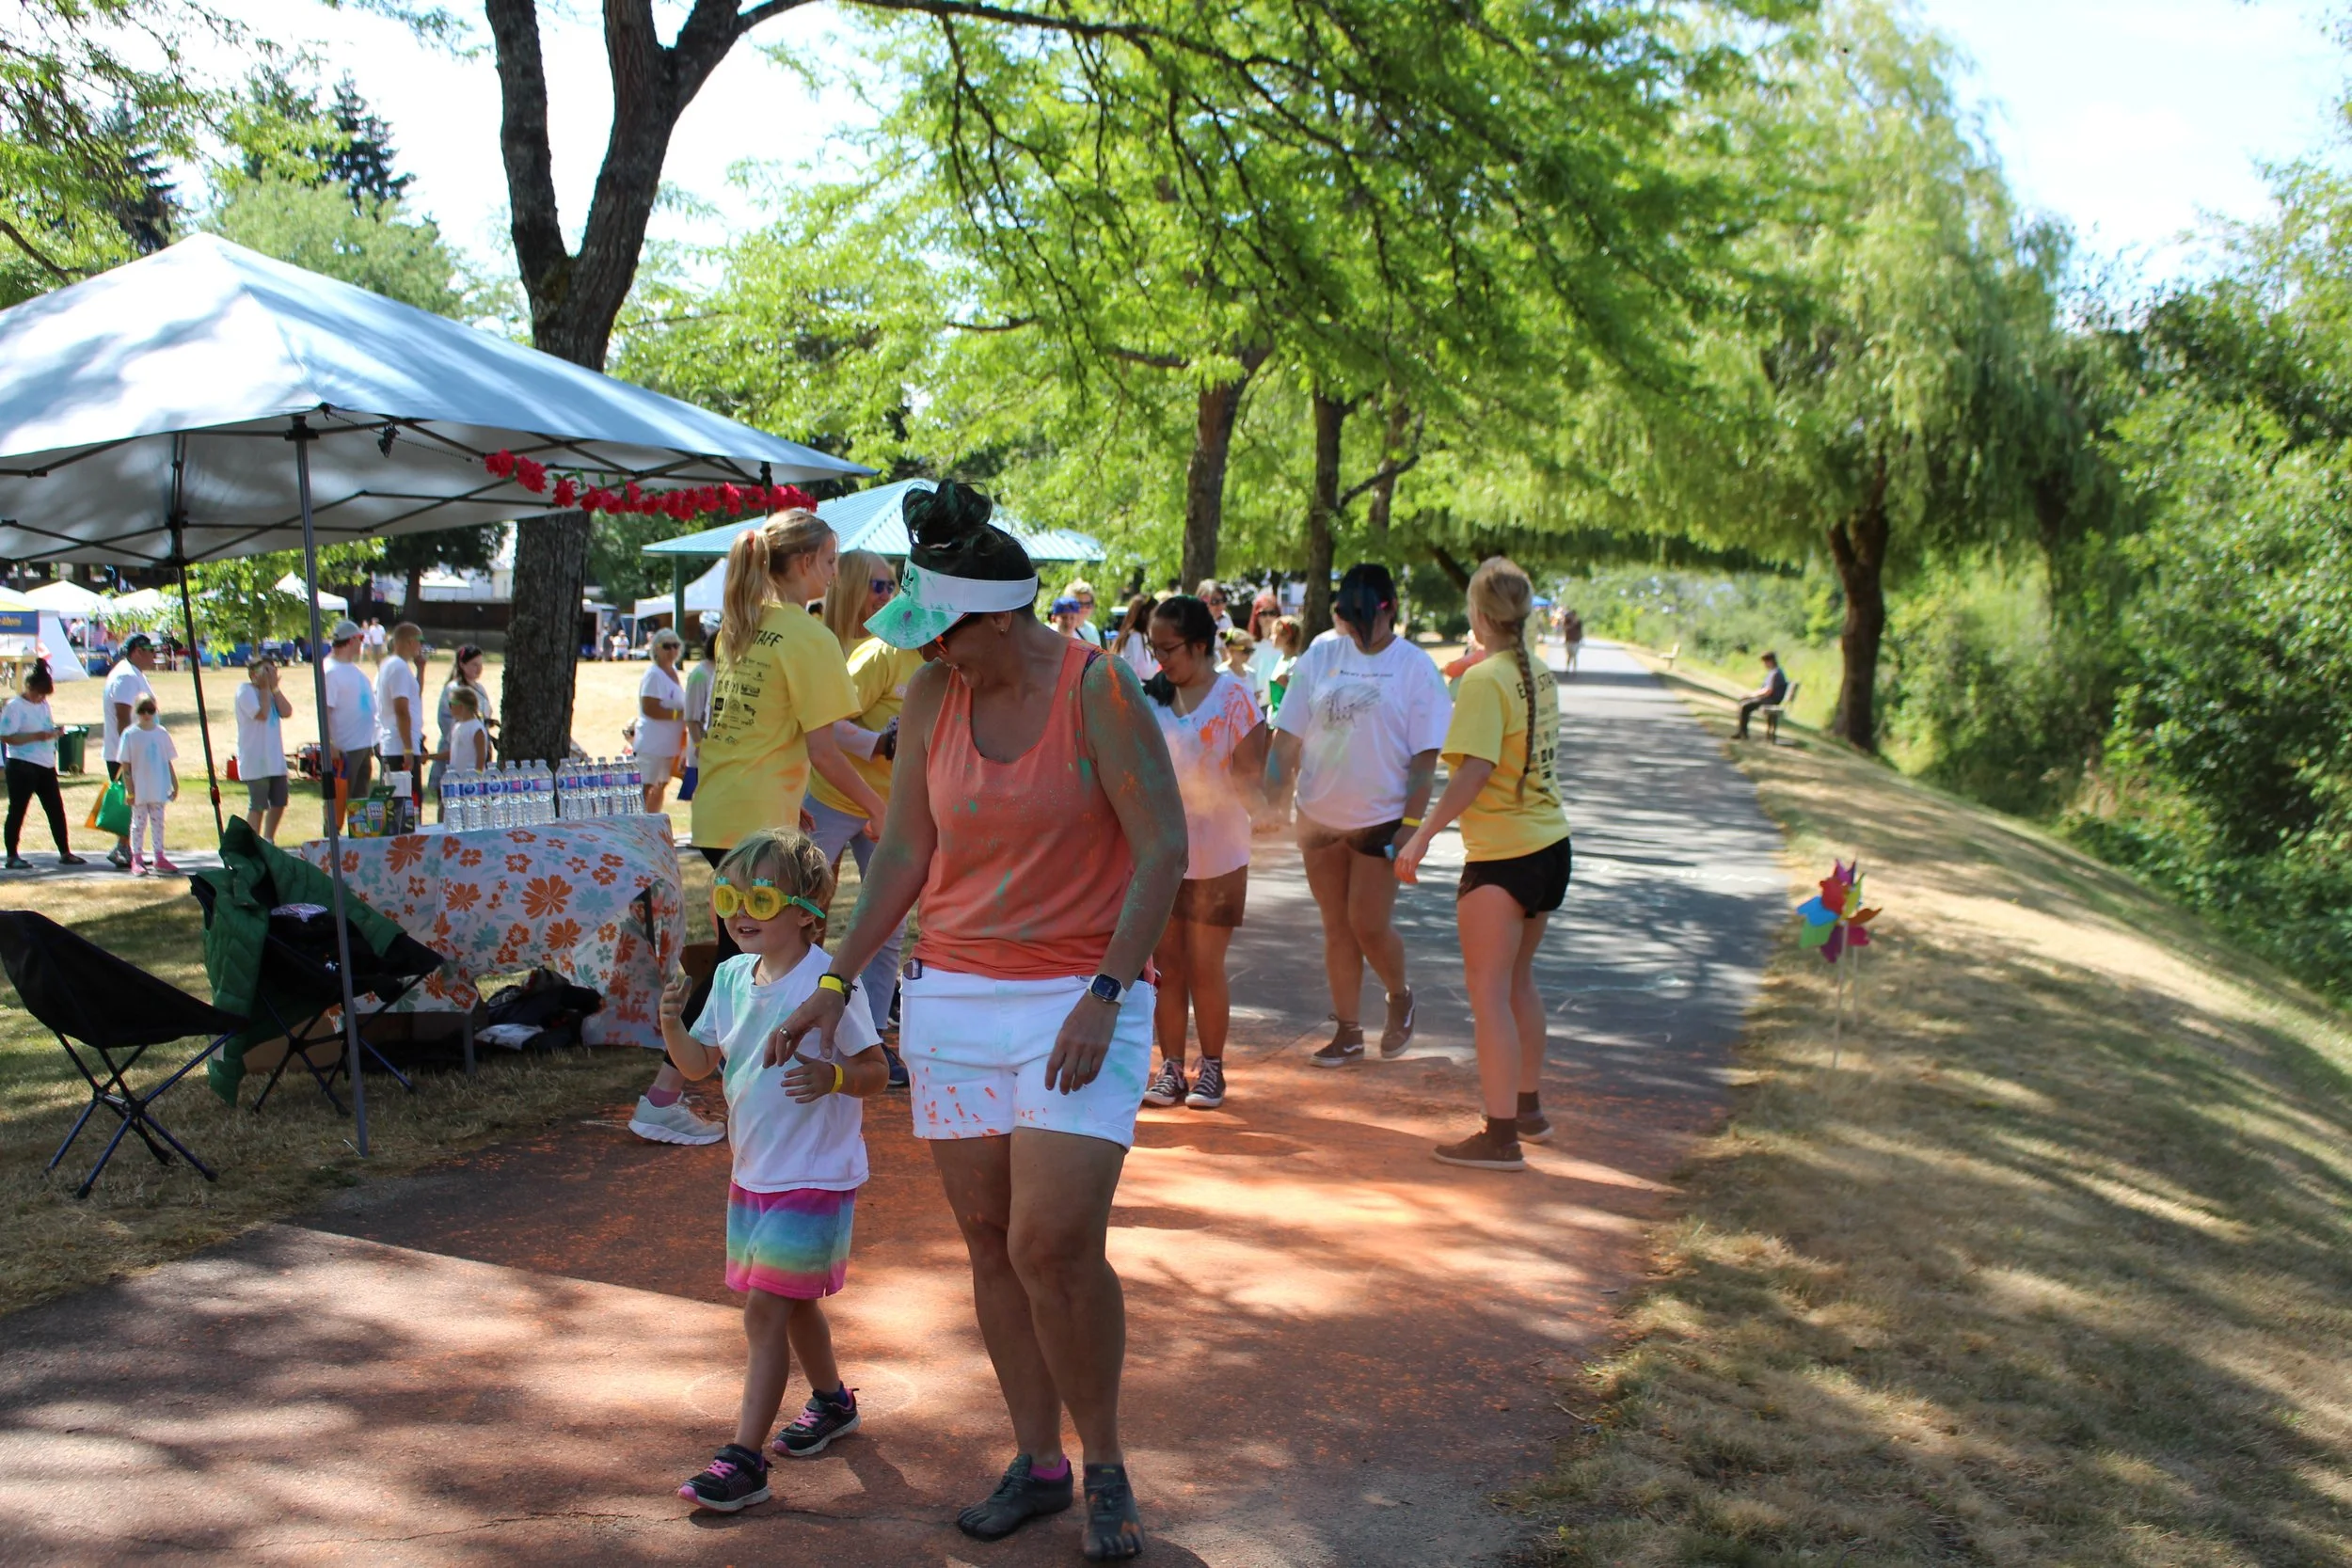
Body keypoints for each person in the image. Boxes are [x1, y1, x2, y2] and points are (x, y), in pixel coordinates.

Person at [773, 481, 1184, 1560]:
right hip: (952, 993)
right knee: (994, 1240)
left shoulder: (1099, 689)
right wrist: (832, 980)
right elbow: (903, 853)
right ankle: (1037, 1459)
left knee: (1057, 1239)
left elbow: (1163, 850)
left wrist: (1106, 987)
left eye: (944, 632)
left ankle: (1103, 1462)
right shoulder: (927, 700)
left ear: (1003, 617)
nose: (931, 653)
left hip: (1079, 996)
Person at [659, 828, 889, 1513]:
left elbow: (877, 1070)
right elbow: (702, 1065)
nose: (738, 910)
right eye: (729, 895)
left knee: (765, 1309)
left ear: (806, 911)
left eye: (758, 895)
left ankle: (744, 1459)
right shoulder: (730, 976)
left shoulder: (829, 985)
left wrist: (835, 1075)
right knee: (791, 1306)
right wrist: (672, 1025)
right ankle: (832, 1401)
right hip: (754, 1174)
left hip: (815, 1173)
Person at [650, 503, 880, 1148]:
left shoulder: (741, 625)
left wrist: (795, 799)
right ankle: (669, 1092)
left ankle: (695, 1084)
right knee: (746, 960)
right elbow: (827, 746)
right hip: (751, 814)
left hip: (729, 806)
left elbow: (758, 729)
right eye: (831, 563)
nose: (835, 577)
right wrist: (876, 807)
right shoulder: (807, 637)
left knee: (743, 956)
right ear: (804, 563)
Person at [1395, 558, 1570, 1171]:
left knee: (1489, 993)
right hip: (1550, 846)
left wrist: (1421, 836)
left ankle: (1501, 1136)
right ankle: (1526, 1108)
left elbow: (1474, 769)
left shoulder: (1485, 680)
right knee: (1518, 981)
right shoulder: (1536, 671)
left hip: (1505, 854)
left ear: (1477, 614)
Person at [1266, 562, 1450, 1067]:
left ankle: (1399, 994)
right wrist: (1271, 799)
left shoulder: (1415, 668)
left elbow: (1424, 760)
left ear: (1388, 609)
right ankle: (1348, 1030)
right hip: (1319, 816)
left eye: (1363, 617)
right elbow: (1287, 737)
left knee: (1367, 923)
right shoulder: (1322, 655)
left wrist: (1413, 829)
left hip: (1381, 819)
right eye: (1347, 616)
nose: (1354, 627)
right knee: (1336, 926)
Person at [1138, 595, 1268, 1113]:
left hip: (1220, 855)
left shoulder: (1235, 699)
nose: (1160, 660)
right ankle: (1171, 1067)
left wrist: (1268, 809)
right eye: (1153, 649)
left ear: (1198, 645)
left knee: (1205, 963)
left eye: (1168, 649)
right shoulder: (1150, 700)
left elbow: (1251, 777)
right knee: (1166, 966)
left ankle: (1210, 1066)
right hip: (1162, 856)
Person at [807, 552, 919, 1087]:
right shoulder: (859, 652)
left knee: (890, 924)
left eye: (893, 584)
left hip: (889, 807)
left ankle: (872, 1041)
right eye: (877, 584)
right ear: (850, 586)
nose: (887, 594)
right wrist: (881, 743)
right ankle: (804, 1029)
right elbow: (828, 730)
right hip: (829, 799)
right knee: (807, 917)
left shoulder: (914, 649)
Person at [2, 661, 82, 869]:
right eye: (39, 693)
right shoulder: (15, 707)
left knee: (56, 808)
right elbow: (7, 737)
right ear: (29, 687)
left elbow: (44, 726)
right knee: (18, 809)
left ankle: (65, 852)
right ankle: (12, 855)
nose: (41, 698)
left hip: (45, 764)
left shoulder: (44, 705)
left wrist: (54, 732)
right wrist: (36, 736)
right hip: (22, 764)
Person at [99, 633, 156, 868]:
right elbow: (123, 716)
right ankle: (123, 847)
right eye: (150, 650)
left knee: (135, 800)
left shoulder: (134, 674)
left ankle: (129, 848)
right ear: (136, 651)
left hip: (134, 749)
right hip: (124, 752)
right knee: (131, 799)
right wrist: (130, 752)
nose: (154, 655)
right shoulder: (125, 677)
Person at [320, 618, 375, 832]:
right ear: (351, 640)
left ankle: (357, 848)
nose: (362, 643)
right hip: (344, 749)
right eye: (361, 638)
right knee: (338, 803)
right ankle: (331, 846)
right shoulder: (330, 670)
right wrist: (330, 742)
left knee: (360, 803)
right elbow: (325, 709)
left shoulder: (353, 670)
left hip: (362, 745)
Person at [233, 655, 293, 841]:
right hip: (255, 760)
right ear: (253, 674)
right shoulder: (245, 691)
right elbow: (262, 714)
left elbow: (286, 711)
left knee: (280, 801)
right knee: (258, 805)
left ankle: (268, 840)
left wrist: (274, 688)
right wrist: (266, 688)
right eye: (265, 671)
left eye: (272, 670)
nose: (269, 675)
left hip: (274, 759)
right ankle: (253, 844)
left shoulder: (272, 693)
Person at [433, 644, 495, 820]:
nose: (478, 669)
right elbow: (446, 720)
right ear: (462, 664)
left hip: (477, 747)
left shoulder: (480, 689)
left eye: (480, 664)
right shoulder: (454, 689)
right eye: (474, 664)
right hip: (458, 749)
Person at [119, 694, 178, 876]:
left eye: (150, 710)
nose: (146, 714)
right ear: (136, 712)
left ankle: (159, 856)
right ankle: (136, 858)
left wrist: (175, 784)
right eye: (142, 710)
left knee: (158, 822)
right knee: (138, 823)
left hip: (158, 786)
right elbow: (126, 765)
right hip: (139, 787)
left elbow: (168, 760)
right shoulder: (130, 734)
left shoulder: (161, 733)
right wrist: (130, 790)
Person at [635, 628, 688, 812]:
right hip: (652, 743)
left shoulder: (672, 671)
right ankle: (638, 824)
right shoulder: (654, 674)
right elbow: (650, 707)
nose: (672, 650)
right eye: (667, 646)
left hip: (669, 744)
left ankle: (652, 821)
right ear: (656, 649)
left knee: (661, 785)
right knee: (646, 786)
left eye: (676, 646)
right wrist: (677, 715)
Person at [375, 622, 426, 796]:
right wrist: (408, 749)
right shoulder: (398, 668)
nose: (421, 645)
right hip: (399, 747)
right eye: (420, 640)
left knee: (407, 805)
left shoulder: (395, 665)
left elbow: (414, 697)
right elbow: (401, 710)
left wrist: (421, 670)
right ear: (410, 641)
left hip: (399, 744)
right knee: (404, 806)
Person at [681, 612, 719, 802]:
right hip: (702, 748)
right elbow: (691, 716)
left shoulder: (722, 670)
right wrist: (699, 745)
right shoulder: (700, 674)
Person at [1735, 651, 1789, 740]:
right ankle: (1741, 732)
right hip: (1769, 698)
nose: (1764, 665)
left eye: (1765, 662)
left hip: (1771, 700)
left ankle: (1743, 733)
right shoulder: (1774, 672)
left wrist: (1751, 695)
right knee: (1743, 703)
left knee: (1745, 706)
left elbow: (1768, 691)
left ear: (1770, 661)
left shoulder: (1775, 673)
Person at [1110, 593, 1158, 683]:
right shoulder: (1135, 637)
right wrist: (1159, 657)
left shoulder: (1133, 636)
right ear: (1144, 615)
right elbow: (1145, 674)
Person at [445, 687, 490, 773]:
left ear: (461, 706)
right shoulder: (457, 726)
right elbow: (454, 752)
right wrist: (429, 757)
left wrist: (476, 777)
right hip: (457, 779)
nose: (449, 708)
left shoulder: (476, 728)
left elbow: (481, 756)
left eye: (451, 704)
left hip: (470, 782)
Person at [1265, 616, 1304, 715]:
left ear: (1286, 636)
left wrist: (1286, 684)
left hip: (1288, 718)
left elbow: (1300, 695)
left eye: (1274, 633)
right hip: (1276, 717)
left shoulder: (1295, 661)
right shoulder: (1281, 659)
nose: (1271, 637)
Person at [1061, 578, 1107, 646]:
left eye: (1088, 604)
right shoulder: (1059, 629)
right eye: (1079, 604)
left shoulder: (1092, 630)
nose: (1083, 608)